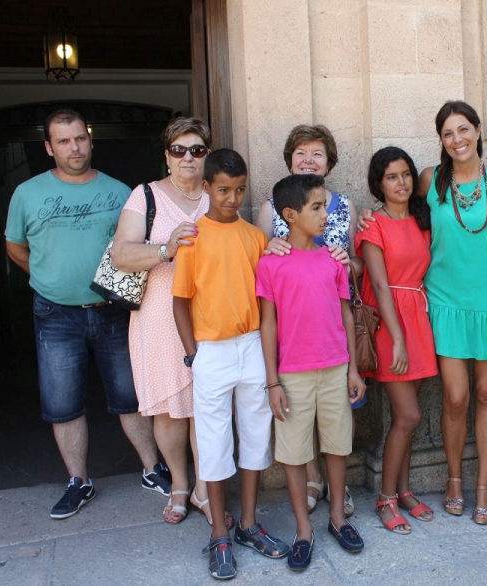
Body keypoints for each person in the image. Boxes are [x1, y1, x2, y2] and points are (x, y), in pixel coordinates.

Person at [5, 108, 167, 519]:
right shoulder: (27, 193)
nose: (74, 147)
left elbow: (135, 248)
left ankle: (153, 469)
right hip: (55, 313)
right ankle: (79, 481)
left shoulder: (120, 192)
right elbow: (16, 247)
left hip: (113, 310)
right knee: (63, 402)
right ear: (49, 148)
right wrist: (47, 279)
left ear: (90, 140)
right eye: (63, 141)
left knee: (130, 395)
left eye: (80, 138)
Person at [110, 116, 237, 527]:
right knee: (167, 409)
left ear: (207, 155)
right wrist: (165, 248)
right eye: (179, 150)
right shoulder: (145, 196)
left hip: (210, 316)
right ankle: (179, 485)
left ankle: (204, 488)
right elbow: (120, 254)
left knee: (206, 407)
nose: (188, 158)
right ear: (166, 156)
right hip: (159, 317)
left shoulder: (217, 193)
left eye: (197, 150)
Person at [172, 149, 288, 580]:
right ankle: (219, 532)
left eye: (239, 190)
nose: (232, 199)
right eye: (223, 190)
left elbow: (266, 296)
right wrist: (193, 355)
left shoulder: (254, 237)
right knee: (214, 440)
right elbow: (180, 302)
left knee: (256, 434)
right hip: (211, 351)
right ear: (206, 187)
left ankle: (248, 524)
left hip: (253, 345)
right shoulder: (193, 238)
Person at [420, 100, 487, 525]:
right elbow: (403, 220)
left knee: (486, 393)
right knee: (455, 396)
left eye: (463, 129)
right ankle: (453, 479)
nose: (457, 139)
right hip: (446, 302)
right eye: (448, 133)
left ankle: (482, 486)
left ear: (478, 131)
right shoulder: (430, 180)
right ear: (441, 140)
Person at [258, 173, 366, 571]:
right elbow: (268, 324)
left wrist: (353, 370)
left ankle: (337, 517)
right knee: (294, 453)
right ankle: (303, 529)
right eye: (316, 208)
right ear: (290, 215)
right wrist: (272, 381)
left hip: (336, 368)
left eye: (325, 206)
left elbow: (346, 315)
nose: (325, 215)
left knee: (337, 445)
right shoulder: (271, 264)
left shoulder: (333, 260)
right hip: (292, 375)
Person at [356, 147, 437, 535]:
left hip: (418, 314)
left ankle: (404, 491)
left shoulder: (423, 219)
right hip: (389, 322)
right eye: (391, 176)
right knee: (408, 417)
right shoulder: (373, 224)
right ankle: (386, 498)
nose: (401, 182)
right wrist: (399, 339)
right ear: (379, 184)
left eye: (405, 174)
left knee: (407, 417)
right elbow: (378, 284)